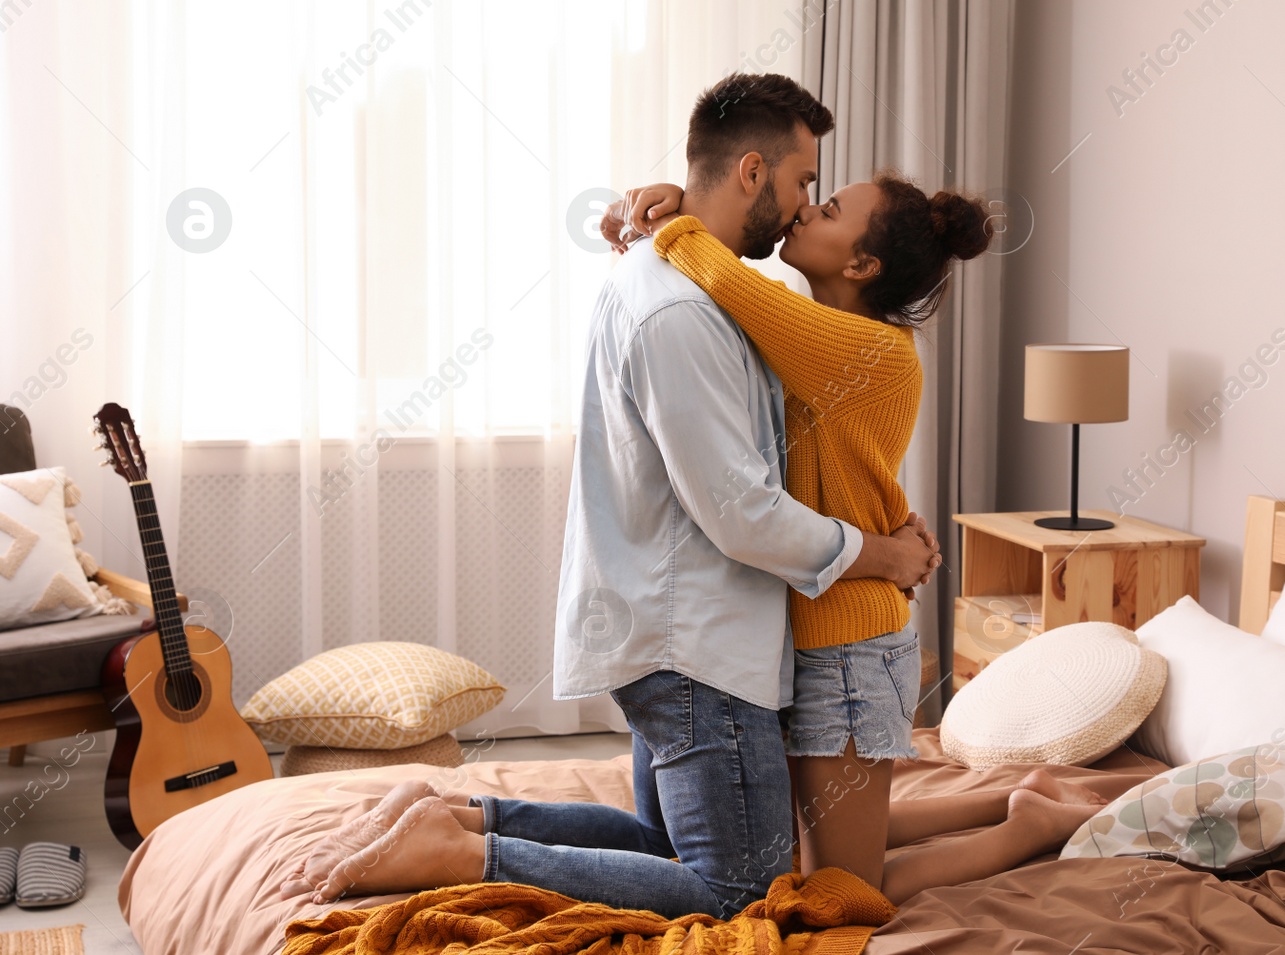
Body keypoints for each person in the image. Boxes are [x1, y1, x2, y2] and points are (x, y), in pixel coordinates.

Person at [280, 73, 942, 918]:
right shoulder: (682, 311)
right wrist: (876, 552)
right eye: (805, 181)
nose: (806, 203)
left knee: (669, 851)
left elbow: (817, 402)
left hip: (678, 636)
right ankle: (466, 850)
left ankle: (461, 814)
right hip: (699, 647)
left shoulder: (694, 285)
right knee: (741, 891)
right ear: (753, 172)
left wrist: (664, 213)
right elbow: (741, 512)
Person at [595, 163, 1077, 906]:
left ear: (860, 264)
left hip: (849, 646)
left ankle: (1024, 829)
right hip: (807, 630)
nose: (802, 214)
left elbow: (727, 280)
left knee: (836, 889)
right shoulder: (811, 330)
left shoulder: (869, 352)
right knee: (806, 837)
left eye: (826, 210)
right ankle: (1001, 799)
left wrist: (676, 213)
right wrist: (668, 198)